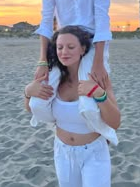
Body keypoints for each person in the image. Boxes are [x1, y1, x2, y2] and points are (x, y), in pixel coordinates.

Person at [25, 26, 120, 187]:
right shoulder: (53, 79)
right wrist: (27, 92)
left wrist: (98, 93)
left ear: (83, 49)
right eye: (60, 47)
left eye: (71, 47)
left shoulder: (97, 77)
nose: (64, 52)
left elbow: (115, 122)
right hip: (63, 152)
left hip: (93, 153)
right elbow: (32, 108)